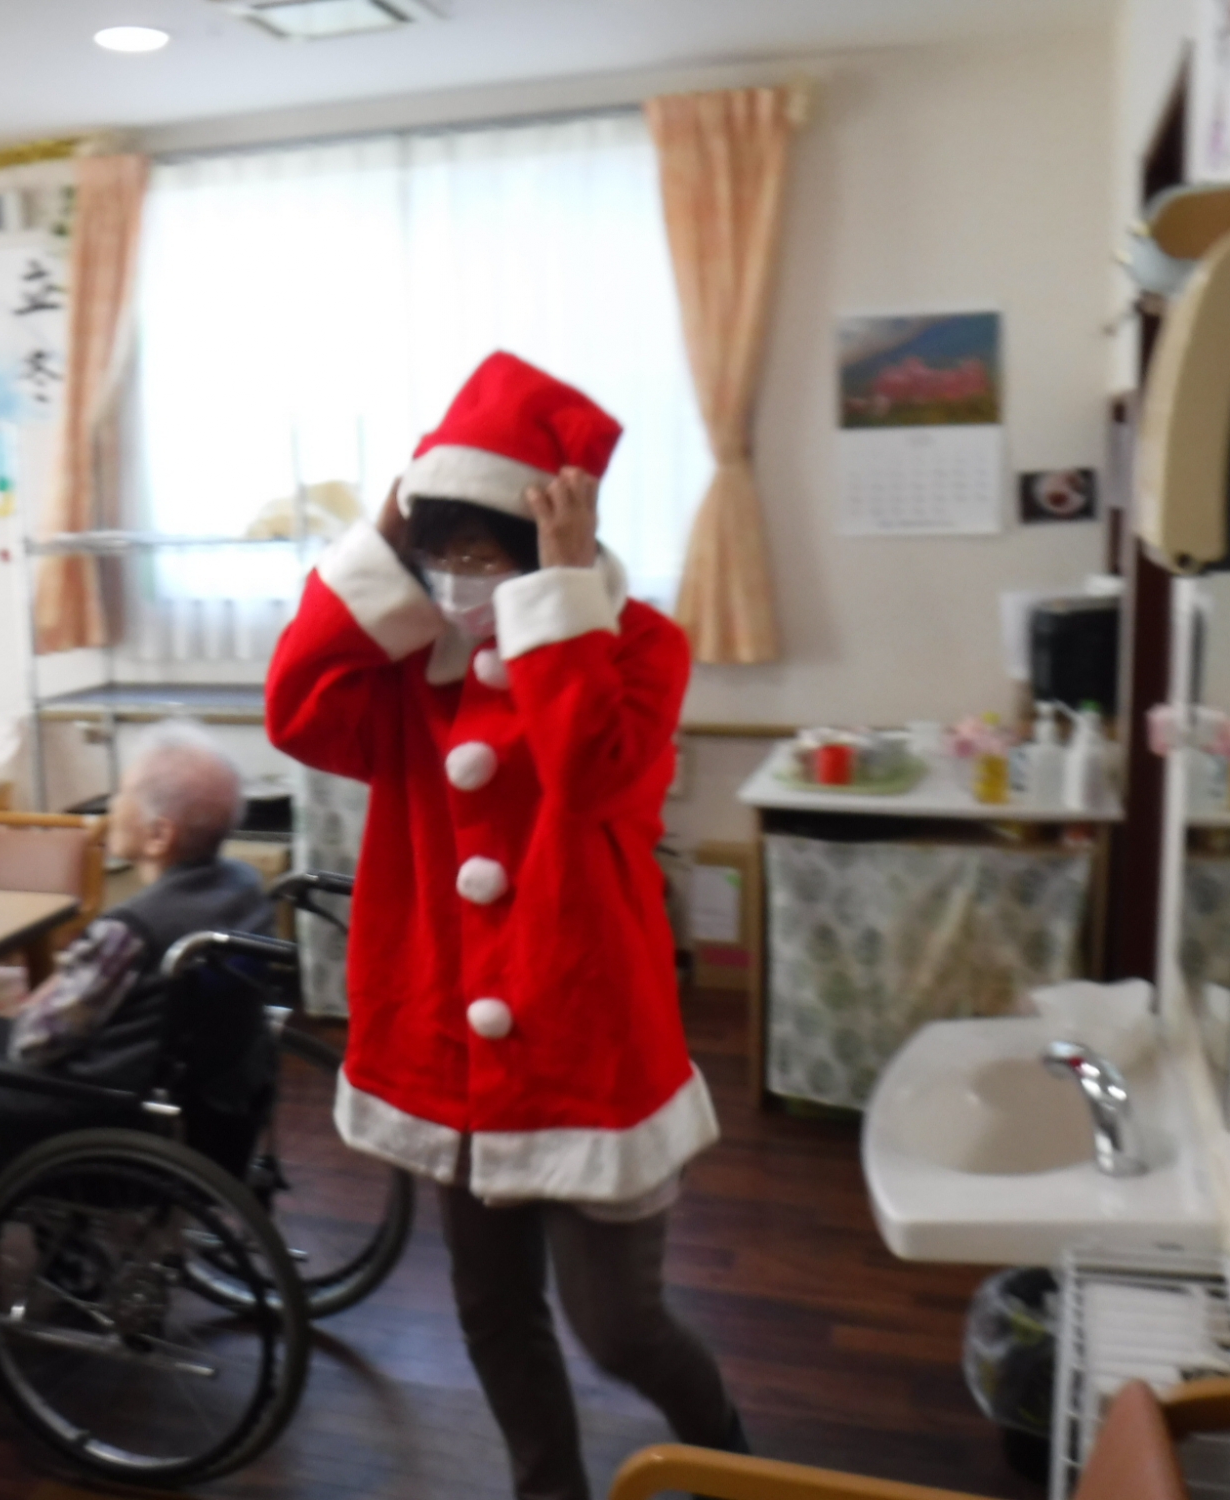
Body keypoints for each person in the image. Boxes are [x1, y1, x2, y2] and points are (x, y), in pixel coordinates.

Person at [265, 351, 745, 1500]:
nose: (459, 578)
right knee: (488, 1307)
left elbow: (591, 774)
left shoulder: (635, 645)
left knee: (618, 1328)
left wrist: (561, 598)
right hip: (452, 1038)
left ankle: (729, 1460)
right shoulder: (411, 670)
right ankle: (547, 1488)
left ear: (542, 545)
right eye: (442, 552)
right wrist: (379, 542)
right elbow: (293, 712)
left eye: (481, 554)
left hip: (587, 1036)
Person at [0, 723, 273, 1175]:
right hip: (189, 1095)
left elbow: (33, 1045)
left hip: (89, 1105)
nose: (113, 805)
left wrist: (52, 989)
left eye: (123, 794)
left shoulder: (132, 930)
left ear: (159, 836)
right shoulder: (242, 885)